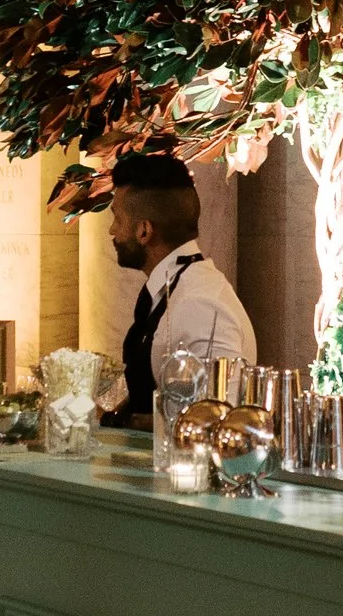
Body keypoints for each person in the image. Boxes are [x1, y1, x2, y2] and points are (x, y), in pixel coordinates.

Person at [104, 151, 256, 425]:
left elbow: (215, 417)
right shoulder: (172, 289)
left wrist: (120, 423)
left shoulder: (200, 303)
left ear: (144, 231)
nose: (112, 231)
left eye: (117, 218)